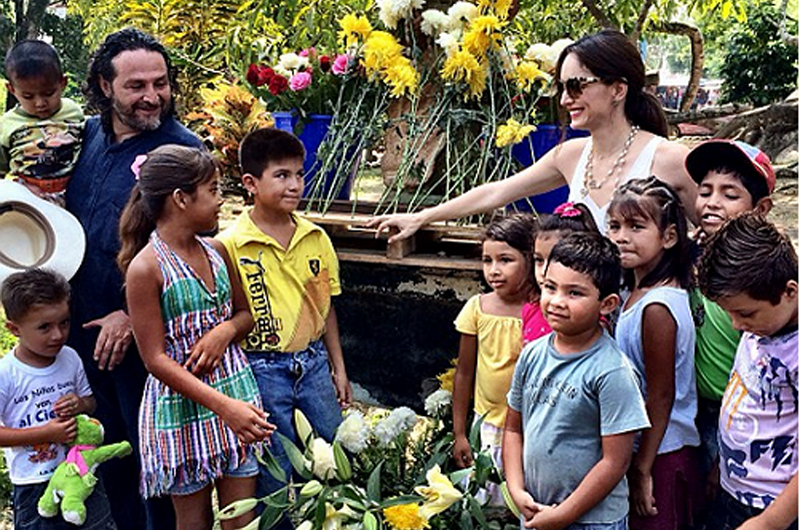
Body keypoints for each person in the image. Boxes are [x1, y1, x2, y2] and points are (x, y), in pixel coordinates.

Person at [64, 28, 203, 530]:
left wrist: (131, 312)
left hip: (147, 338)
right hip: (82, 329)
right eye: (136, 85)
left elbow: (196, 248)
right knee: (106, 450)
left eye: (161, 83)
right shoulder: (87, 137)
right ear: (105, 86)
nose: (152, 96)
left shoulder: (182, 153)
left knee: (155, 460)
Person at [369, 30, 696, 240]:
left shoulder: (668, 158)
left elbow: (719, 228)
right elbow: (496, 193)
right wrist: (422, 216)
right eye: (562, 88)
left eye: (576, 86)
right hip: (583, 323)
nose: (566, 99)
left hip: (651, 322)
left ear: (618, 89)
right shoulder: (570, 155)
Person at [117, 145, 274, 530]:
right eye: (214, 190)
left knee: (243, 520)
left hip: (236, 392)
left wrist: (224, 331)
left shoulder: (217, 251)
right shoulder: (146, 268)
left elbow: (245, 315)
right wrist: (224, 407)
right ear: (181, 199)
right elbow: (154, 359)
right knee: (193, 523)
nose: (222, 201)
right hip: (182, 408)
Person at [217, 128, 352, 525]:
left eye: (299, 174)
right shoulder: (228, 246)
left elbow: (326, 308)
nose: (295, 185)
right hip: (259, 368)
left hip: (312, 366)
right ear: (250, 183)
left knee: (332, 454)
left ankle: (334, 520)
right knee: (273, 467)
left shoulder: (316, 237)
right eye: (282, 175)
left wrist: (338, 368)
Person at [503, 232, 650, 530]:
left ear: (607, 304)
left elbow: (615, 462)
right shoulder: (532, 355)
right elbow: (513, 428)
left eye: (574, 293)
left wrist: (564, 515)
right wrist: (517, 490)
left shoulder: (612, 372)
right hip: (536, 510)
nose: (557, 301)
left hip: (591, 521)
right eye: (550, 287)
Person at [607, 176, 702, 530]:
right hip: (645, 446)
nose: (621, 237)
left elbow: (660, 395)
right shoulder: (634, 292)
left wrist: (642, 468)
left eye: (636, 226)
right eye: (614, 225)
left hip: (662, 452)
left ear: (669, 237)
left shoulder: (658, 307)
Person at [685, 140, 775, 505]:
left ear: (761, 209)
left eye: (729, 194)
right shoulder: (687, 257)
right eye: (705, 191)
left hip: (745, 417)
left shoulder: (762, 278)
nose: (711, 202)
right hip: (696, 411)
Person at [697, 213, 798, 530]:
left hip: (776, 505)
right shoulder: (761, 326)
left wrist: (770, 522)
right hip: (735, 488)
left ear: (789, 291)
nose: (736, 325)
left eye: (745, 313)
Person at [0, 268, 116, 530]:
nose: (58, 335)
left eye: (64, 322)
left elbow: (90, 403)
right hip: (34, 484)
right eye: (44, 327)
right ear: (13, 329)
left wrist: (80, 404)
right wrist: (45, 433)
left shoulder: (70, 357)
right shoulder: (7, 374)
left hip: (82, 474)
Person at [451, 213, 538, 504]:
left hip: (530, 426)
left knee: (523, 498)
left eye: (505, 260)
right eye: (487, 261)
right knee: (486, 498)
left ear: (531, 258)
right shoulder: (477, 308)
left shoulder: (541, 311)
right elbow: (464, 373)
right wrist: (460, 433)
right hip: (487, 426)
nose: (494, 270)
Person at [1, 40, 84, 205]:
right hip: (25, 196)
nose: (40, 103)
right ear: (11, 89)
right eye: (28, 96)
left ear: (63, 83)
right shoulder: (7, 124)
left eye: (48, 93)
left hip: (73, 194)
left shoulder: (74, 112)